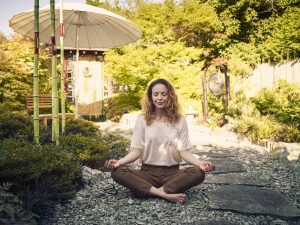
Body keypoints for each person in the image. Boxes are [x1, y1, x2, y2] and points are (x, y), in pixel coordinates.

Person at [105, 78, 215, 204]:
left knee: (198, 172)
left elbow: (184, 152)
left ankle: (147, 191)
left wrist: (200, 163)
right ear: (150, 97)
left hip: (172, 173)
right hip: (147, 173)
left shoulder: (180, 121)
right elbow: (136, 152)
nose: (159, 98)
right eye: (155, 94)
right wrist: (119, 162)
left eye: (164, 94)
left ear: (170, 96)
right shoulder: (142, 120)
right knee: (117, 172)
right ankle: (166, 194)